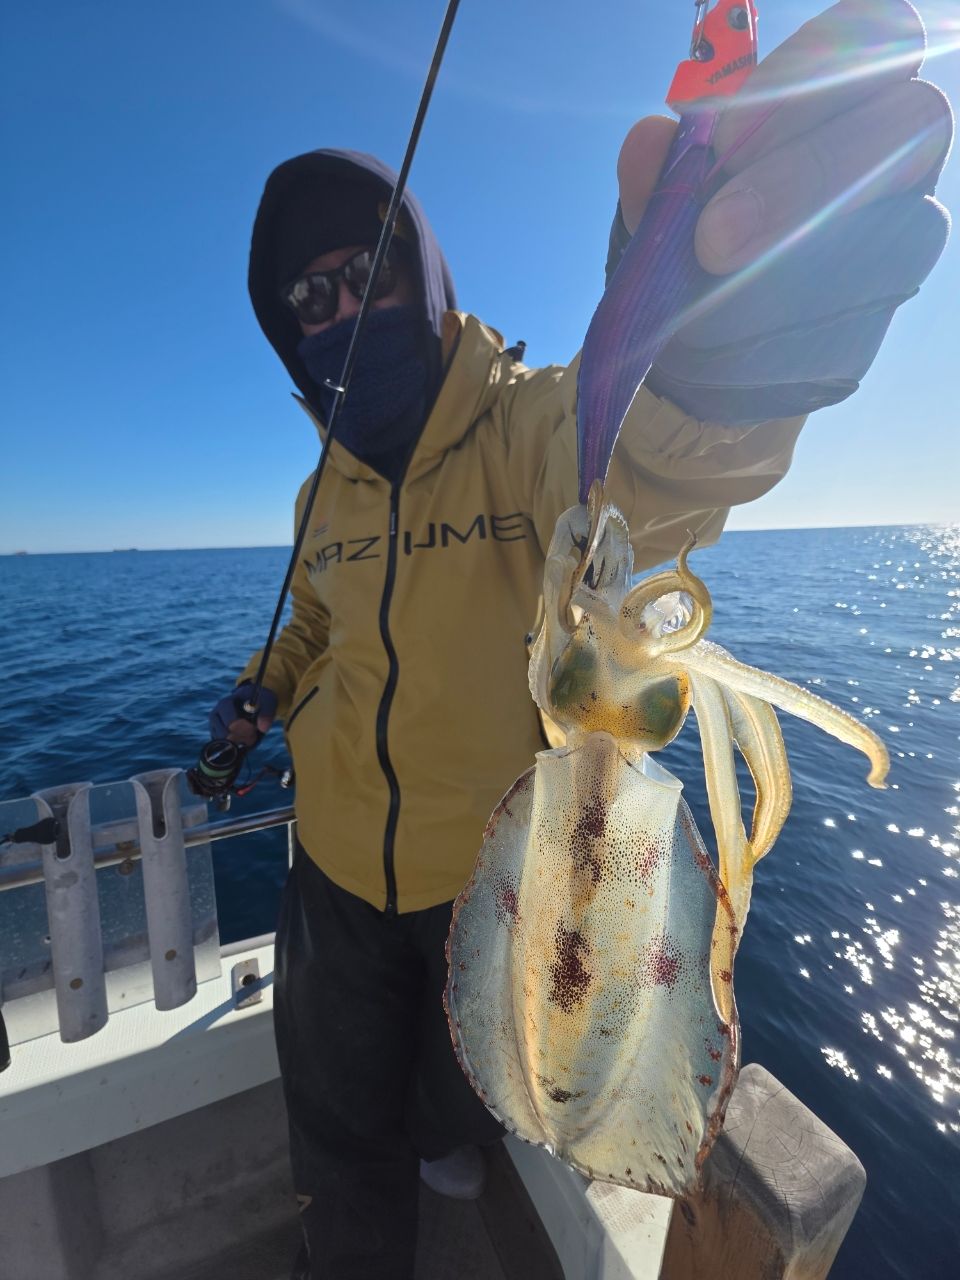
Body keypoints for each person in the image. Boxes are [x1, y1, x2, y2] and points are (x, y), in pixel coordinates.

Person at [208, 3, 952, 1276]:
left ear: (426, 278)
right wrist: (262, 687)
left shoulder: (536, 426)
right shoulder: (315, 494)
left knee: (460, 1087)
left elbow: (649, 465)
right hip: (328, 870)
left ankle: (455, 1139)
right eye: (306, 299)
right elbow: (319, 622)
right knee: (336, 1132)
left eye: (365, 271)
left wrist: (706, 357)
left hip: (477, 873)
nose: (336, 308)